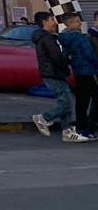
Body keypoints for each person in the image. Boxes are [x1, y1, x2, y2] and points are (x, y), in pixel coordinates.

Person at [32, 11, 89, 142]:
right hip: (53, 73)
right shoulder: (47, 38)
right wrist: (65, 66)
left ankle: (67, 131)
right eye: (52, 19)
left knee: (66, 100)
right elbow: (55, 56)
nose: (55, 22)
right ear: (44, 22)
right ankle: (44, 117)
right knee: (66, 101)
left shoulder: (48, 37)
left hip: (52, 72)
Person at [58, 13, 98, 139]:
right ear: (70, 24)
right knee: (93, 98)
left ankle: (81, 127)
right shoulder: (80, 38)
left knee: (81, 101)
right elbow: (89, 54)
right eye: (77, 21)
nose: (80, 23)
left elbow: (65, 55)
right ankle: (86, 129)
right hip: (88, 71)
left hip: (78, 71)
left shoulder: (64, 37)